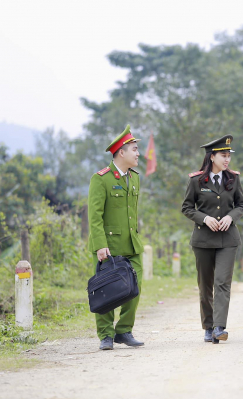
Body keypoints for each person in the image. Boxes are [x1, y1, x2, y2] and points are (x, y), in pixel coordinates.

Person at [181, 135, 243, 344]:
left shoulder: (234, 179)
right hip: (203, 240)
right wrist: (205, 218)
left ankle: (219, 327)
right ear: (212, 157)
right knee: (205, 285)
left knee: (222, 283)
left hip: (228, 240)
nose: (227, 160)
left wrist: (230, 217)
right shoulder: (196, 180)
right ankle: (208, 327)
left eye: (228, 156)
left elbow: (241, 205)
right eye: (223, 155)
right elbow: (187, 208)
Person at [88, 125, 144, 350]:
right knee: (107, 289)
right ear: (122, 152)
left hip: (132, 244)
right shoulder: (100, 179)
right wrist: (100, 245)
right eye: (134, 149)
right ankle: (106, 335)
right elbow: (95, 216)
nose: (138, 153)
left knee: (135, 286)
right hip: (108, 245)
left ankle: (124, 331)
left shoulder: (135, 178)